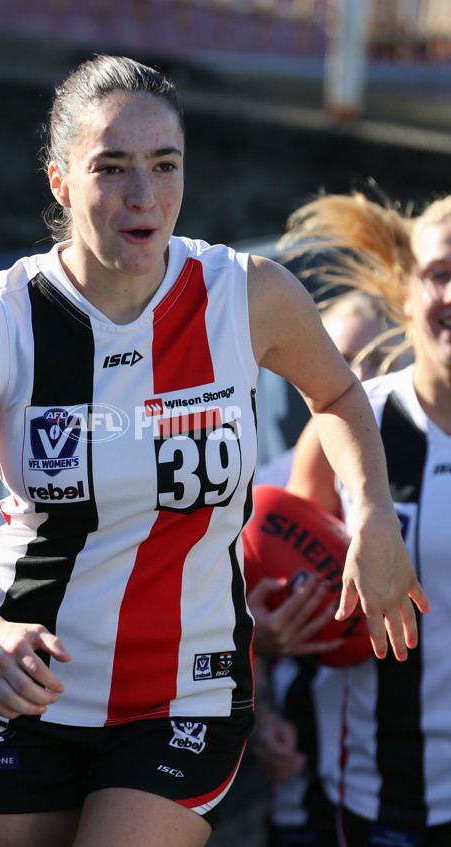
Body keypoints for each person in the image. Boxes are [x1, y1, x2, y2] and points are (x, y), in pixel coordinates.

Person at [0, 56, 426, 847]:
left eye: (163, 165)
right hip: (23, 685)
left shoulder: (247, 295)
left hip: (186, 694)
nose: (143, 196)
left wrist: (374, 514)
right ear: (60, 184)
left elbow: (342, 396)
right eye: (111, 169)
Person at [280, 191, 451, 846]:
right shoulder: (354, 426)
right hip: (379, 794)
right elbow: (269, 578)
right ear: (405, 291)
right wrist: (270, 633)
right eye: (440, 274)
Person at [249, 289, 409, 847]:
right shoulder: (267, 489)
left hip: (407, 774)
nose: (360, 379)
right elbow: (233, 618)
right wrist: (263, 711)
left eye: (380, 361)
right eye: (342, 362)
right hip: (305, 785)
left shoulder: (425, 472)